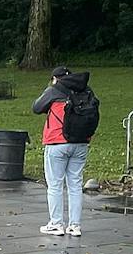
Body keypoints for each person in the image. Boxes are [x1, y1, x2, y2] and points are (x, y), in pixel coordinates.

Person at [33, 66, 95, 237]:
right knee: (75, 185)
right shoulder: (85, 89)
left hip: (56, 143)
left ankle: (56, 224)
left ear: (55, 78)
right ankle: (75, 226)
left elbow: (37, 107)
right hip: (81, 142)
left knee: (55, 185)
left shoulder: (54, 90)